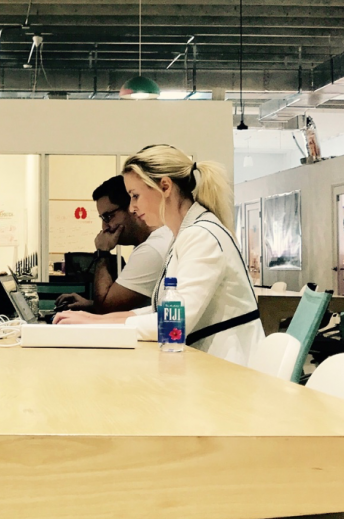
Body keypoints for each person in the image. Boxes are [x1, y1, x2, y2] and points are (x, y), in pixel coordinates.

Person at [54, 144, 263, 365]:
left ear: (165, 186)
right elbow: (158, 311)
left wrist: (97, 323)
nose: (132, 208)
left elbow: (176, 322)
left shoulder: (201, 235)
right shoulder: (185, 234)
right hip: (209, 364)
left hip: (230, 371)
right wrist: (96, 320)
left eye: (135, 196)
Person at [55, 175, 173, 313]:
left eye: (108, 217)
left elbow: (105, 308)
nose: (105, 227)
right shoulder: (160, 238)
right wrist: (89, 304)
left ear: (132, 209)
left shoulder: (151, 250)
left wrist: (102, 252)